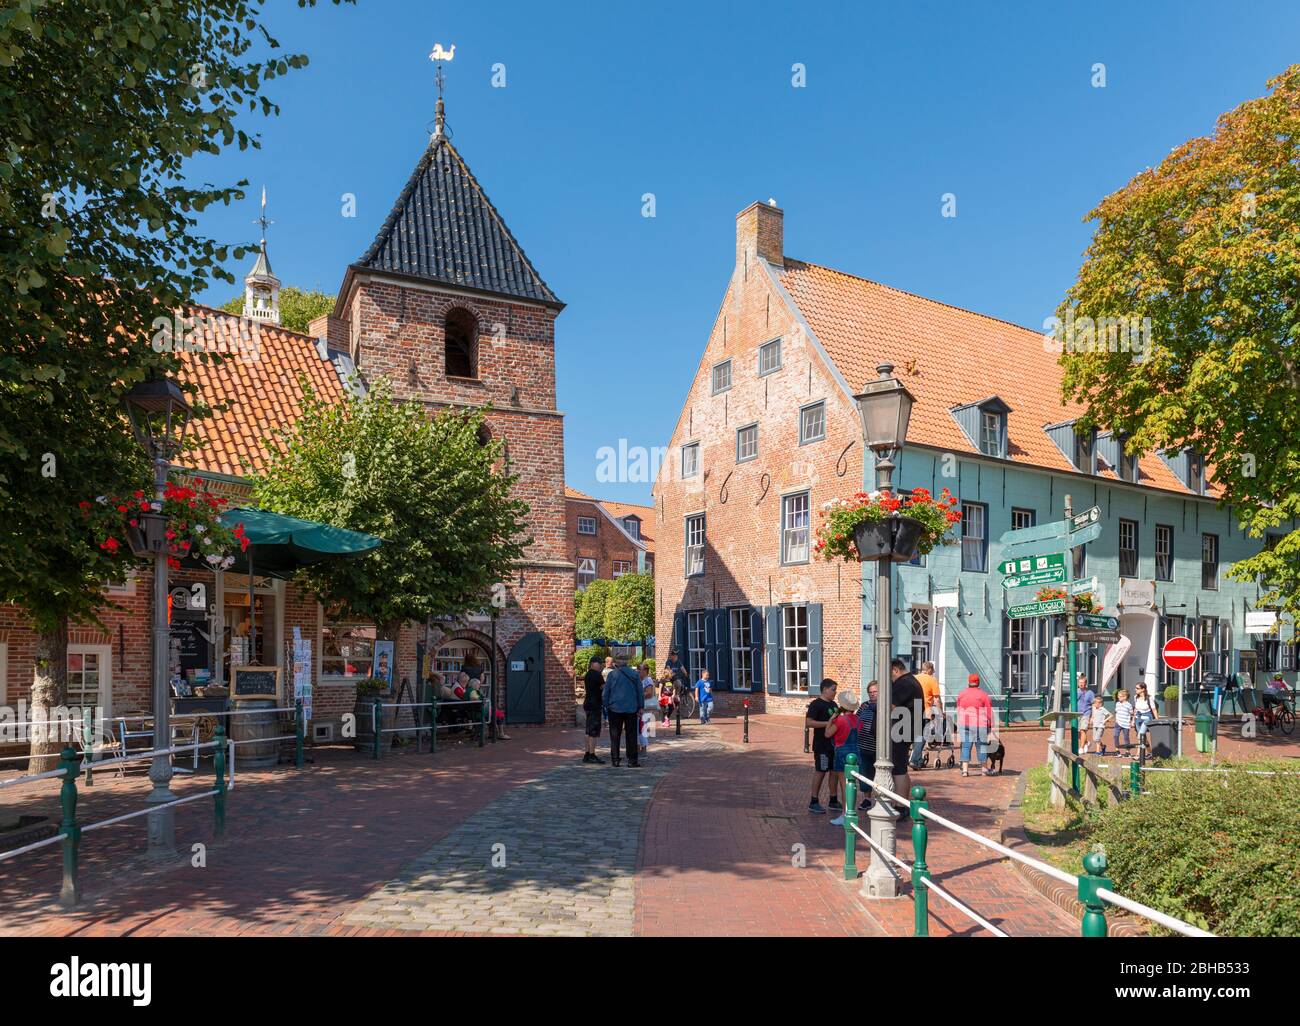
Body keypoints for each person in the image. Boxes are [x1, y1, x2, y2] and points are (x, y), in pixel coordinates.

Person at [888, 657, 924, 804]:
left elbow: (891, 706)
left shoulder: (903, 683)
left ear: (896, 670)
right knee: (900, 767)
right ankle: (901, 803)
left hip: (901, 729)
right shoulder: (912, 681)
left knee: (898, 770)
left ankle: (900, 806)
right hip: (908, 728)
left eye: (889, 674)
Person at [825, 691, 861, 827]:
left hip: (842, 752)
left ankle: (846, 813)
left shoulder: (840, 720)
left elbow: (828, 734)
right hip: (856, 752)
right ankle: (852, 810)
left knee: (844, 785)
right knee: (852, 784)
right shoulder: (857, 719)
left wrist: (830, 720)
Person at [602, 656, 643, 767]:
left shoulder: (612, 675)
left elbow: (606, 692)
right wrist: (640, 706)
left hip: (615, 708)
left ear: (617, 663)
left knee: (615, 735)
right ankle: (632, 760)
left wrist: (606, 705)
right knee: (631, 735)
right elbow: (640, 691)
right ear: (627, 662)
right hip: (631, 708)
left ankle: (615, 759)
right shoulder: (634, 674)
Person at [806, 678, 839, 813]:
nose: (835, 692)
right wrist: (828, 724)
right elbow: (808, 723)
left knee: (834, 772)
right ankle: (813, 801)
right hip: (822, 746)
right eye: (833, 689)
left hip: (834, 745)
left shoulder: (834, 704)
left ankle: (833, 799)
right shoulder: (816, 704)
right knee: (821, 771)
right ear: (825, 689)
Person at [955, 672, 994, 777]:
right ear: (978, 682)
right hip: (980, 724)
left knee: (966, 746)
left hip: (964, 723)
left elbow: (958, 709)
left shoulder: (961, 694)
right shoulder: (983, 695)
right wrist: (990, 725)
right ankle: (984, 770)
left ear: (968, 682)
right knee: (981, 746)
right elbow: (988, 712)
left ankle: (965, 770)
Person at [911, 660, 941, 770]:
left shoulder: (914, 678)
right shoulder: (932, 680)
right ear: (929, 670)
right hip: (925, 710)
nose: (933, 672)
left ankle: (918, 760)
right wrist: (940, 712)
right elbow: (937, 699)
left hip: (911, 709)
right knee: (923, 735)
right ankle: (914, 760)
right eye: (932, 670)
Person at [857, 681, 879, 809]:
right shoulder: (864, 706)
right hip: (863, 746)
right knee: (865, 773)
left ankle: (880, 800)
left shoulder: (884, 705)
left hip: (878, 748)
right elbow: (856, 720)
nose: (872, 694)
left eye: (875, 692)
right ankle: (867, 799)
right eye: (870, 692)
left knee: (878, 774)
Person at [581, 656, 606, 764]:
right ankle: (592, 754)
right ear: (593, 664)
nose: (600, 665)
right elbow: (604, 687)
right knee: (593, 731)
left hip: (588, 703)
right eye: (599, 663)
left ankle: (587, 753)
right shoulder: (596, 674)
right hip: (594, 704)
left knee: (588, 730)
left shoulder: (588, 674)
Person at [1133, 681, 1158, 756]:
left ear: (1143, 689)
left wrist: (1157, 719)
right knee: (1143, 737)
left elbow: (1153, 709)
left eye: (1137, 688)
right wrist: (1132, 720)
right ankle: (1150, 752)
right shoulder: (1135, 697)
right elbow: (1135, 709)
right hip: (1138, 718)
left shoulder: (1149, 698)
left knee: (1140, 735)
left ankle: (1138, 754)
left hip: (1147, 718)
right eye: (1135, 688)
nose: (1135, 689)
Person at [637, 663, 656, 754]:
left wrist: (637, 696)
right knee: (639, 727)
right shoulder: (640, 680)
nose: (638, 671)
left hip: (645, 707)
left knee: (642, 727)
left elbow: (649, 694)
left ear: (645, 671)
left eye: (639, 670)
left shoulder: (647, 680)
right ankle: (639, 746)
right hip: (641, 707)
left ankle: (643, 746)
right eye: (638, 669)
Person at [1113, 688, 1134, 754]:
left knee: (1126, 738)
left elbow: (1131, 714)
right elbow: (1116, 712)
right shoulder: (1117, 704)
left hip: (1125, 724)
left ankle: (1127, 751)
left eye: (1120, 696)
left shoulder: (1129, 705)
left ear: (1125, 697)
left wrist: (1131, 722)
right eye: (1118, 696)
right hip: (1118, 723)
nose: (1118, 697)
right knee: (1115, 736)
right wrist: (1116, 720)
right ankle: (1117, 750)